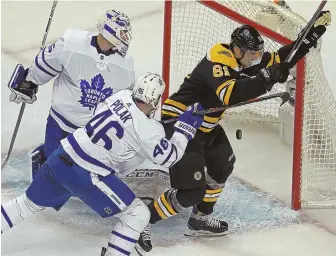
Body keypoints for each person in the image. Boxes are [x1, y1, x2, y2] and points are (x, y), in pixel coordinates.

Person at [135, 10, 331, 255]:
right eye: (252, 54)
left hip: (205, 126)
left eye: (257, 53)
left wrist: (309, 36)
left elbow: (283, 58)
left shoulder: (242, 58)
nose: (256, 58)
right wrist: (265, 78)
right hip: (181, 125)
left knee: (222, 166)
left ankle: (200, 219)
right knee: (191, 191)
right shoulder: (217, 62)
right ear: (237, 50)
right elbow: (230, 94)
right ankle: (140, 221)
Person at [1, 73, 204, 256]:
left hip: (61, 156)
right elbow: (168, 157)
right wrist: (184, 131)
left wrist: (155, 129)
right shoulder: (149, 130)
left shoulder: (121, 96)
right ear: (156, 99)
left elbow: (129, 124)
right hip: (86, 174)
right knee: (137, 214)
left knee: (25, 205)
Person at [7, 10, 135, 182]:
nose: (124, 40)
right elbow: (45, 64)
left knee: (79, 176)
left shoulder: (125, 67)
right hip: (60, 120)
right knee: (54, 173)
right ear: (108, 32)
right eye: (121, 34)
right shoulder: (72, 44)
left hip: (90, 130)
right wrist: (29, 82)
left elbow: (124, 101)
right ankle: (42, 159)